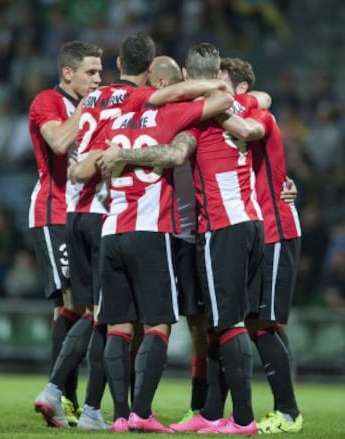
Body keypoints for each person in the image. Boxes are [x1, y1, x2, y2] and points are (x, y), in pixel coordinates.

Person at [97, 43, 264, 435]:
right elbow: (250, 122)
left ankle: (228, 416)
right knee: (203, 324)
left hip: (197, 227)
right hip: (205, 226)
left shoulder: (128, 119)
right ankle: (207, 411)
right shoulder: (229, 107)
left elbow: (174, 154)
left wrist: (116, 155)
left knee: (209, 323)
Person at [71, 69, 233, 432]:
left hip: (112, 230)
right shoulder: (170, 116)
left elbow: (80, 171)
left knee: (118, 325)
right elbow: (223, 96)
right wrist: (199, 87)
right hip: (152, 231)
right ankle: (142, 411)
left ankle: (120, 415)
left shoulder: (112, 129)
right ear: (166, 89)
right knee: (158, 323)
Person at [213, 56, 304, 434]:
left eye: (219, 82)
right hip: (256, 229)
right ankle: (273, 408)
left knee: (264, 323)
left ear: (240, 89)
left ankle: (288, 412)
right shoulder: (242, 107)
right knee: (257, 322)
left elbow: (252, 124)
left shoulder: (257, 114)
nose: (212, 88)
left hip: (276, 228)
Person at [29, 40, 103, 427]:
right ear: (67, 73)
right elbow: (58, 142)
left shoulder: (96, 103)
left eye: (101, 71)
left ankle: (65, 397)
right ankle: (63, 396)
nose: (98, 79)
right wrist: (91, 107)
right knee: (74, 304)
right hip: (53, 212)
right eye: (91, 72)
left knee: (76, 307)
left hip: (86, 215)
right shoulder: (48, 101)